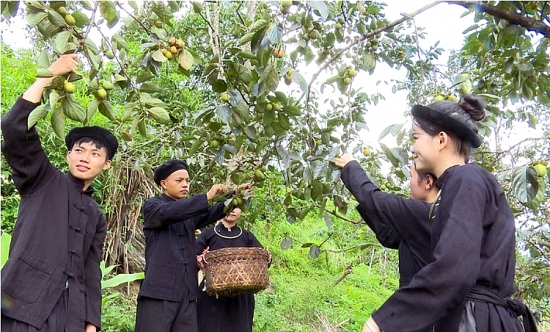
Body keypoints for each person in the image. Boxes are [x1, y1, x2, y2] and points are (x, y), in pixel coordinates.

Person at [363, 95, 537, 332]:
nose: (413, 148)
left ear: (441, 140)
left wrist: (383, 321)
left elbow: (454, 269)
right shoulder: (460, 184)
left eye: (416, 138)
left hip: (476, 321)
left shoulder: (467, 178)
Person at [1, 54, 118, 332]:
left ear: (106, 163)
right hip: (21, 304)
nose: (85, 157)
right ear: (67, 155)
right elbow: (14, 128)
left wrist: (91, 324)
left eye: (94, 153)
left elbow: (91, 272)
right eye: (79, 150)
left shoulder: (96, 215)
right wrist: (49, 74)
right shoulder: (43, 179)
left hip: (70, 317)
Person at [135, 159, 253, 332]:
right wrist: (206, 196)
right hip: (158, 294)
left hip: (187, 296)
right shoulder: (153, 207)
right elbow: (173, 212)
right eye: (179, 180)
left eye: (187, 181)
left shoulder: (189, 214)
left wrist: (235, 196)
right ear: (164, 184)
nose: (185, 185)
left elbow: (213, 212)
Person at [335, 158, 438, 289]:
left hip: (419, 301)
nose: (409, 184)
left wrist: (351, 166)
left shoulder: (425, 213)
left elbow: (376, 200)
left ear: (428, 182)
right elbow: (390, 237)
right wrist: (363, 199)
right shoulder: (436, 217)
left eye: (411, 176)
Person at [195, 206, 268, 332]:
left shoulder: (247, 236)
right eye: (229, 206)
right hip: (212, 294)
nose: (232, 210)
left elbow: (263, 260)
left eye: (237, 207)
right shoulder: (209, 234)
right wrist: (199, 260)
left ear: (242, 210)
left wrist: (268, 257)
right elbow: (192, 257)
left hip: (242, 295)